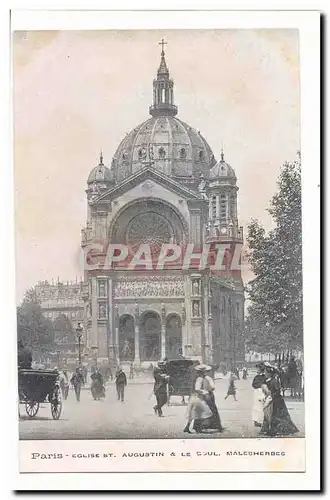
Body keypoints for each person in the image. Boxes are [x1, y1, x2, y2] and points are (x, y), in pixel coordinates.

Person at [260, 363, 299, 436]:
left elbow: (277, 391)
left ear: (269, 373)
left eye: (266, 372)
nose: (265, 373)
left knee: (278, 415)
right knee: (272, 415)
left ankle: (277, 430)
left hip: (277, 400)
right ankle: (271, 429)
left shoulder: (274, 380)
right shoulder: (268, 380)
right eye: (264, 372)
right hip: (273, 399)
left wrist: (271, 397)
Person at [183, 364, 214, 434]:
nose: (206, 372)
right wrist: (205, 392)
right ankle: (197, 428)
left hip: (195, 397)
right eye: (206, 371)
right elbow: (197, 388)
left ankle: (188, 427)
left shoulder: (201, 378)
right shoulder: (200, 379)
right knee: (204, 412)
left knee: (195, 413)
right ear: (203, 372)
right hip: (197, 398)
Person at [252, 363, 266, 427]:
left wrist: (259, 386)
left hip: (261, 392)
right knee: (257, 407)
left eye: (258, 369)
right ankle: (256, 421)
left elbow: (254, 384)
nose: (257, 370)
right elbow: (253, 384)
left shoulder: (262, 377)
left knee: (262, 406)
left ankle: (260, 421)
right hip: (257, 392)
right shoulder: (258, 377)